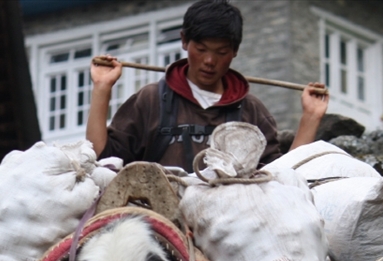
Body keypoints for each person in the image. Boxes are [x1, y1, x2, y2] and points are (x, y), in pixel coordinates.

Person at [86, 0, 328, 173]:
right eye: (201, 49)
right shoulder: (150, 100)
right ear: (184, 41)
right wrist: (102, 88)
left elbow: (280, 178)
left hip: (228, 226)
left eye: (221, 52)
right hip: (160, 226)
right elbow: (102, 158)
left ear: (234, 51)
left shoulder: (250, 111)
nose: (210, 61)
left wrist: (310, 117)